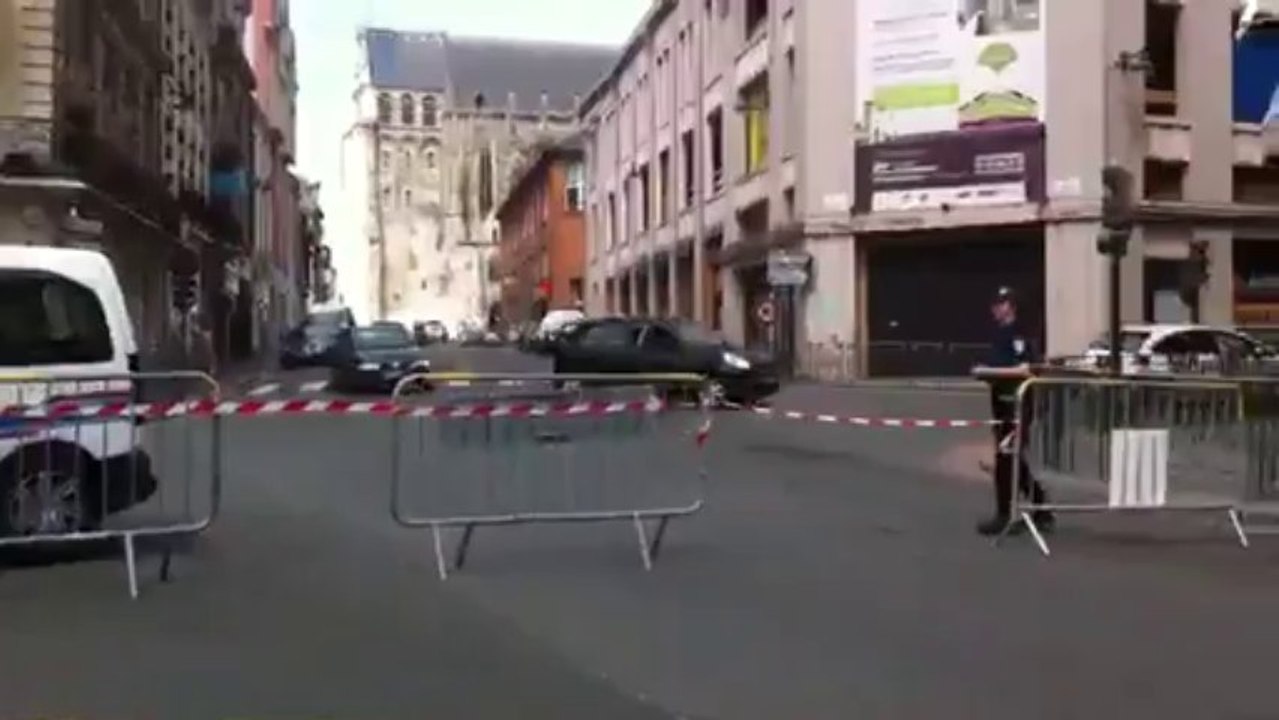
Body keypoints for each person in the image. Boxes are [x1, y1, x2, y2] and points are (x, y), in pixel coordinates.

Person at [972, 287, 1054, 536]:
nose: (996, 308)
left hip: (1016, 403)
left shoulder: (1019, 333)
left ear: (1011, 306)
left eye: (1001, 303)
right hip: (1001, 401)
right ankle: (1041, 511)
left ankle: (1005, 514)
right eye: (994, 304)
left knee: (1007, 459)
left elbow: (1025, 368)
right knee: (1012, 459)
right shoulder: (999, 334)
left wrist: (989, 372)